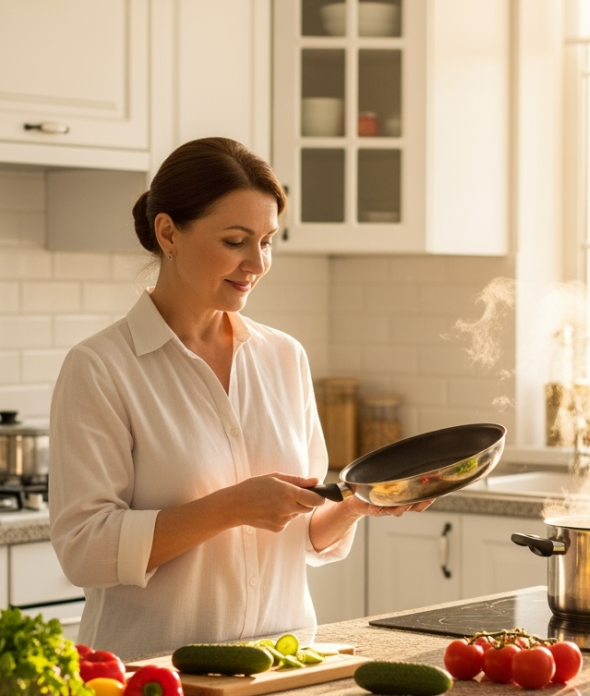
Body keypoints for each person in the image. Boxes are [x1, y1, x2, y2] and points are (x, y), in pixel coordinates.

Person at [48, 137, 429, 659]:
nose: (257, 262)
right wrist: (229, 508)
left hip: (283, 666)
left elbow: (302, 533)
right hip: (156, 675)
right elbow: (85, 550)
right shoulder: (101, 368)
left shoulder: (283, 357)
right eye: (235, 240)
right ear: (168, 233)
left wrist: (356, 506)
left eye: (268, 241)